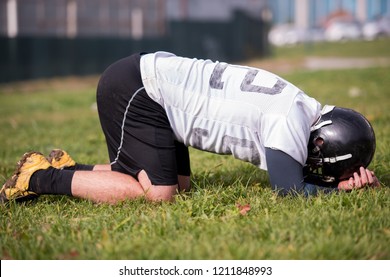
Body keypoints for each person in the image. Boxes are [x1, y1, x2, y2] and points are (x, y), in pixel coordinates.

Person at [0, 52, 380, 204]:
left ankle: (66, 170)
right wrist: (340, 189)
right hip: (140, 89)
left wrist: (334, 182)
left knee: (179, 187)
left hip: (156, 90)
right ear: (323, 140)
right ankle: (36, 178)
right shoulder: (289, 121)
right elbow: (289, 190)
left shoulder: (302, 105)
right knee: (160, 195)